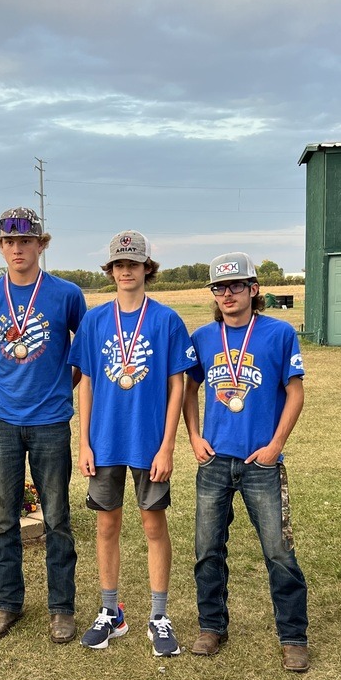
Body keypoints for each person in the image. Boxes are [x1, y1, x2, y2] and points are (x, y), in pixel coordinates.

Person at [70, 231, 196, 655]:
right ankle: (111, 613)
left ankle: (159, 617)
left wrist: (167, 447)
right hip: (104, 440)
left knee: (153, 525)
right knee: (106, 526)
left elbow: (177, 385)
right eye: (119, 265)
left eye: (134, 264)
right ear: (110, 271)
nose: (126, 271)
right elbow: (85, 383)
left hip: (148, 441)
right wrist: (84, 443)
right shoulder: (94, 320)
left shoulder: (166, 321)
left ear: (147, 269)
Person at [183, 252, 310, 672]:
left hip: (262, 462)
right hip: (215, 461)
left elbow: (294, 392)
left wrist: (276, 444)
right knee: (207, 548)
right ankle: (211, 626)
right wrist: (195, 436)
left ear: (254, 290)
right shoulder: (203, 336)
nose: (227, 294)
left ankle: (293, 636)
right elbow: (188, 388)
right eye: (219, 288)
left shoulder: (278, 334)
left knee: (277, 550)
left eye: (236, 286)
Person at [0, 207, 87, 643]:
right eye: (8, 242)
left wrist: (64, 383)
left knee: (56, 517)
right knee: (4, 518)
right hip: (1, 420)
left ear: (41, 244)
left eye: (26, 241)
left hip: (51, 421)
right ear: (1, 247)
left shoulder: (66, 294)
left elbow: (84, 348)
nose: (17, 249)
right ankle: (8, 603)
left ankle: (62, 607)